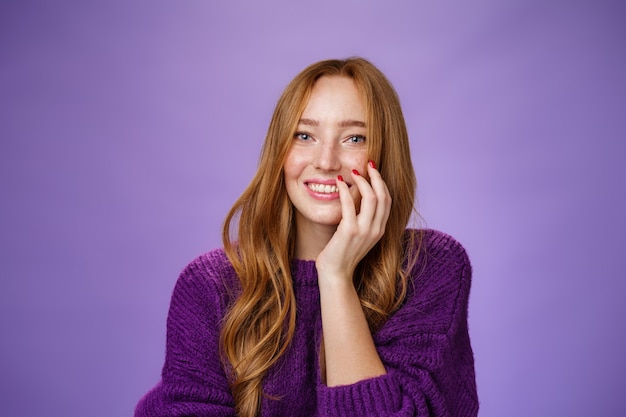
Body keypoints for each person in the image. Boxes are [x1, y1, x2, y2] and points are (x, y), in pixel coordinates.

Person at [135, 57, 478, 417]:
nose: (326, 161)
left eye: (354, 138)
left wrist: (334, 275)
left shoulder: (430, 269)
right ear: (280, 152)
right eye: (305, 135)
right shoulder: (210, 286)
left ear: (384, 155)